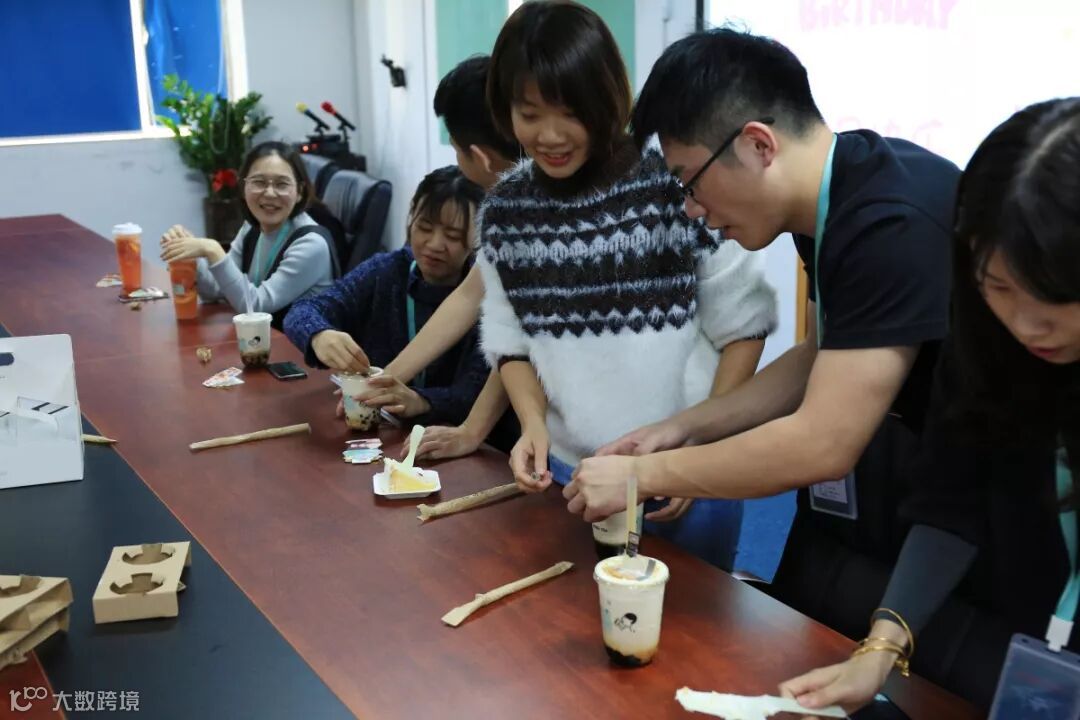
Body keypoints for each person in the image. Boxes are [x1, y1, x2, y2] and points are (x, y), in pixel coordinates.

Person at [565, 27, 958, 626]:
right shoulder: (838, 191)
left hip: (984, 497)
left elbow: (823, 443)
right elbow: (821, 355)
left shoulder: (888, 226)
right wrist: (684, 427)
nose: (691, 209)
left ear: (757, 145)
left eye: (690, 181)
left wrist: (640, 477)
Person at [779, 98, 1080, 714]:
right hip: (1033, 632)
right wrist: (880, 648)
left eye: (1051, 296)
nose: (1026, 325)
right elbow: (951, 494)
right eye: (999, 286)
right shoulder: (982, 332)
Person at [478, 2, 778, 570]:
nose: (550, 135)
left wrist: (698, 450)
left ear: (608, 98)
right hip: (573, 475)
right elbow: (510, 340)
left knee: (696, 620)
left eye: (571, 112)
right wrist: (532, 424)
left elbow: (745, 328)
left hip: (684, 474)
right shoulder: (505, 212)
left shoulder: (674, 182)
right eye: (529, 114)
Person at [385, 55, 522, 458]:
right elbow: (468, 296)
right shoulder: (508, 209)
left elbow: (524, 338)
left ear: (480, 156)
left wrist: (471, 430)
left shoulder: (536, 214)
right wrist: (387, 379)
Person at [283, 166, 488, 426]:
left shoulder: (486, 298)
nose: (435, 244)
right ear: (411, 218)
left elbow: (474, 395)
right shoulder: (386, 271)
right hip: (376, 428)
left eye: (453, 236)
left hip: (446, 436)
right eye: (425, 227)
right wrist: (318, 334)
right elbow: (303, 310)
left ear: (479, 238)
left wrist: (422, 401)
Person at [160, 141, 337, 328]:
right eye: (259, 182)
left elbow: (256, 308)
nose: (270, 193)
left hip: (294, 344)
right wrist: (190, 255)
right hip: (260, 339)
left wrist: (213, 250)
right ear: (244, 187)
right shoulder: (252, 228)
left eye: (281, 184)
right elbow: (218, 289)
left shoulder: (311, 244)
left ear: (300, 191)